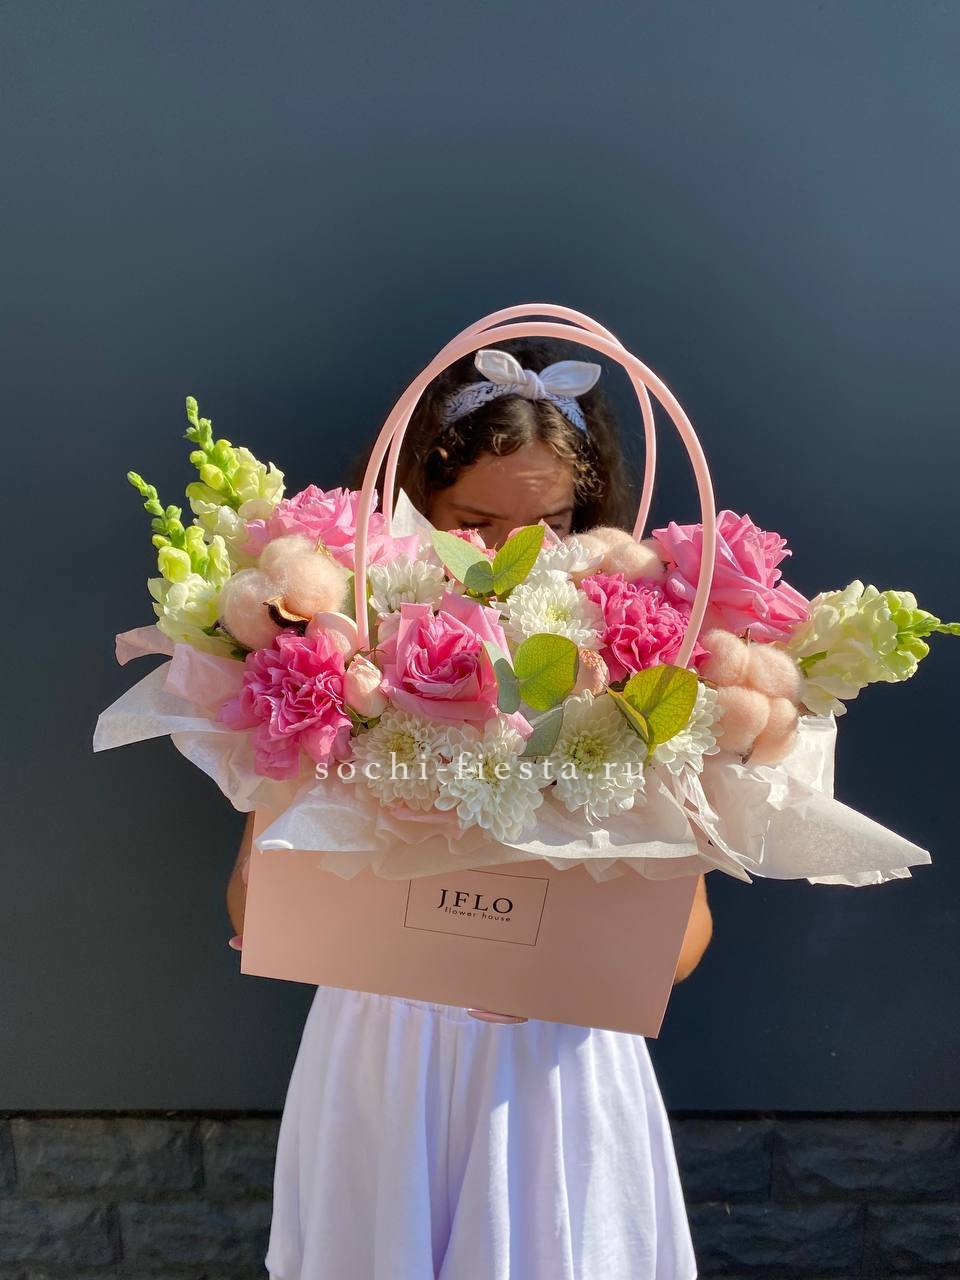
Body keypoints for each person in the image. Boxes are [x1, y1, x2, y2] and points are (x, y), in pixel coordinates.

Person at [227, 336, 712, 1279]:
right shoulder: (343, 659)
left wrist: (561, 942)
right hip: (384, 1057)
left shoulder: (632, 675)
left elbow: (683, 939)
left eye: (551, 526)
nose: (513, 559)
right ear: (416, 510)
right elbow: (251, 904)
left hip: (553, 1063)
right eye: (476, 524)